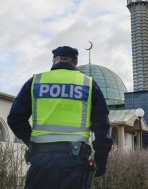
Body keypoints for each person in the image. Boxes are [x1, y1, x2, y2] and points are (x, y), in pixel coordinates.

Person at [7, 46, 113, 189]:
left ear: (55, 60)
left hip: (41, 162)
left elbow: (15, 118)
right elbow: (102, 128)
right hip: (75, 164)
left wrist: (32, 141)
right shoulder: (88, 84)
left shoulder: (36, 82)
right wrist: (100, 162)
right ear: (75, 62)